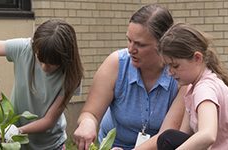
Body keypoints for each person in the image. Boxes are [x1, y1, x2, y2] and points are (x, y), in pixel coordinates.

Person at [73, 4, 187, 150]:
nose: (131, 49)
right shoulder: (116, 64)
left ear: (162, 44)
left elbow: (166, 136)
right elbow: (90, 113)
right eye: (129, 40)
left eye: (140, 44)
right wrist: (87, 123)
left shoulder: (180, 76)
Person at [0, 19, 84, 150]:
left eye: (51, 63)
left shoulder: (72, 75)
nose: (44, 67)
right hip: (17, 144)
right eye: (40, 58)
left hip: (51, 144)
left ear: (65, 58)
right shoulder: (25, 48)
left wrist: (17, 132)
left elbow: (49, 120)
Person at [156, 23, 228, 150]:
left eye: (175, 66)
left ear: (197, 58)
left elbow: (208, 135)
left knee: (167, 138)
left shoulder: (205, 88)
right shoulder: (193, 88)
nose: (170, 73)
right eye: (167, 66)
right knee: (169, 138)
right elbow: (183, 135)